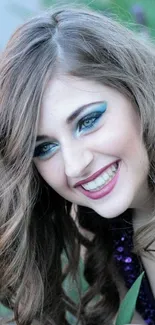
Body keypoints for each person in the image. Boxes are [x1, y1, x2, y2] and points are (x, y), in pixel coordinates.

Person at [0, 5, 155, 325]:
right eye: (44, 147)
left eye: (88, 121)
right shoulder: (105, 220)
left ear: (137, 93)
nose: (73, 166)